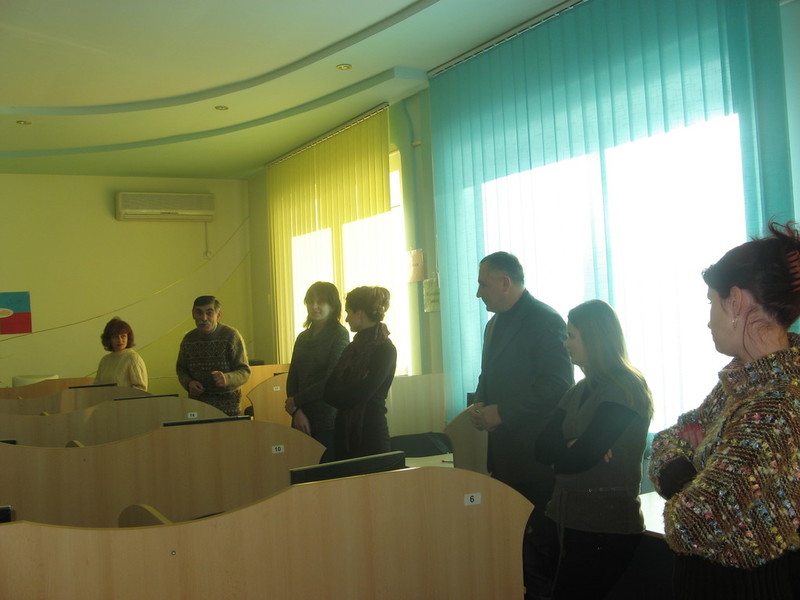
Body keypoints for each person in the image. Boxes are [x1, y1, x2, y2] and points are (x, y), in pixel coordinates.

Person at [648, 222, 800, 599]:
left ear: (735, 302)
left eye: (711, 302)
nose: (708, 319)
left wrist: (686, 469)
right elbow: (668, 438)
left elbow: (689, 524)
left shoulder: (776, 404)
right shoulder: (743, 380)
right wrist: (697, 474)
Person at [468, 251, 573, 600]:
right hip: (503, 460)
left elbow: (558, 386)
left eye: (483, 284)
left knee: (540, 555)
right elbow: (488, 376)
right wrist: (479, 403)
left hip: (536, 461)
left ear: (505, 282)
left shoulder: (545, 320)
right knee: (513, 554)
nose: (478, 293)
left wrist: (503, 413)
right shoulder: (493, 325)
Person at [534, 299, 653, 599]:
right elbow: (542, 447)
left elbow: (582, 457)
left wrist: (577, 450)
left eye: (571, 336)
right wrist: (573, 445)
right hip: (564, 519)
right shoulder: (578, 390)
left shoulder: (626, 387)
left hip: (605, 527)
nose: (566, 344)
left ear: (595, 338)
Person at [324, 286, 396, 460]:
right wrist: (352, 388)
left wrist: (345, 390)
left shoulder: (385, 349)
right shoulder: (351, 348)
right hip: (343, 434)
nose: (346, 318)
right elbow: (328, 393)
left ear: (360, 314)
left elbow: (362, 394)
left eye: (349, 312)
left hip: (371, 435)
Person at [285, 282, 350, 462]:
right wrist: (296, 411)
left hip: (325, 416)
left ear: (333, 305)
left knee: (324, 468)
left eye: (320, 302)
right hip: (299, 414)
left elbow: (331, 380)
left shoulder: (340, 334)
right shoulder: (303, 337)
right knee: (300, 467)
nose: (314, 306)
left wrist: (296, 401)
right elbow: (293, 377)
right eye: (310, 301)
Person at [176, 295, 251, 416]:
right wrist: (189, 383)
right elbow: (181, 369)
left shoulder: (231, 336)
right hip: (198, 405)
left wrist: (227, 378)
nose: (204, 318)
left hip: (228, 408)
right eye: (199, 313)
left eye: (209, 313)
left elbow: (244, 372)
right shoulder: (188, 339)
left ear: (218, 315)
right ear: (193, 314)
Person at [94, 317, 148, 391]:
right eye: (115, 337)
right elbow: (96, 387)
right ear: (109, 339)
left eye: (123, 336)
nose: (120, 340)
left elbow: (140, 389)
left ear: (128, 337)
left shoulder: (133, 358)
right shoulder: (105, 360)